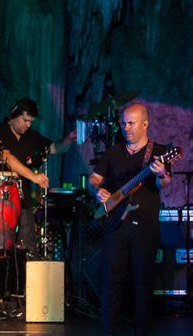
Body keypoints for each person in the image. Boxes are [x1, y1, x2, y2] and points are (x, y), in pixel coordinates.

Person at [89, 104, 171, 335]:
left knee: (143, 284)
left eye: (131, 123)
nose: (126, 128)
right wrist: (97, 191)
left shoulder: (159, 152)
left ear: (145, 124)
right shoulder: (114, 152)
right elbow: (93, 178)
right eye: (123, 123)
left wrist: (161, 173)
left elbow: (163, 183)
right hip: (115, 225)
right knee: (110, 282)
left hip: (145, 226)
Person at [0, 98, 76, 253]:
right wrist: (34, 177)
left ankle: (25, 274)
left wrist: (69, 140)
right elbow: (7, 158)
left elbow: (54, 148)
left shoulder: (32, 136)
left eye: (31, 122)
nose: (28, 125)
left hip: (23, 201)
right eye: (25, 120)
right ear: (14, 115)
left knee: (28, 248)